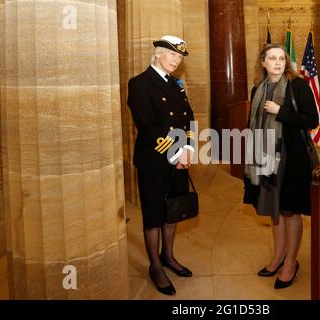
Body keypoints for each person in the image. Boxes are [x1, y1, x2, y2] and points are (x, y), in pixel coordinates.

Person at [243, 44, 319, 289]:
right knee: (274, 210)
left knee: (289, 210)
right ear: (263, 62)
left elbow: (311, 120)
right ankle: (277, 258)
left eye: (281, 58)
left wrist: (281, 111)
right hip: (264, 158)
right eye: (272, 58)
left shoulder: (298, 86)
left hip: (291, 157)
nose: (277, 62)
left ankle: (291, 262)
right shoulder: (258, 88)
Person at [127, 35, 195, 296]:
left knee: (172, 210)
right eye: (172, 55)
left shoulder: (176, 84)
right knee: (154, 214)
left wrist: (188, 148)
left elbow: (189, 117)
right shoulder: (139, 83)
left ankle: (168, 256)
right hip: (154, 160)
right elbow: (146, 126)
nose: (176, 61)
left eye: (179, 57)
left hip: (179, 159)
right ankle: (155, 266)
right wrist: (176, 153)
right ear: (157, 53)